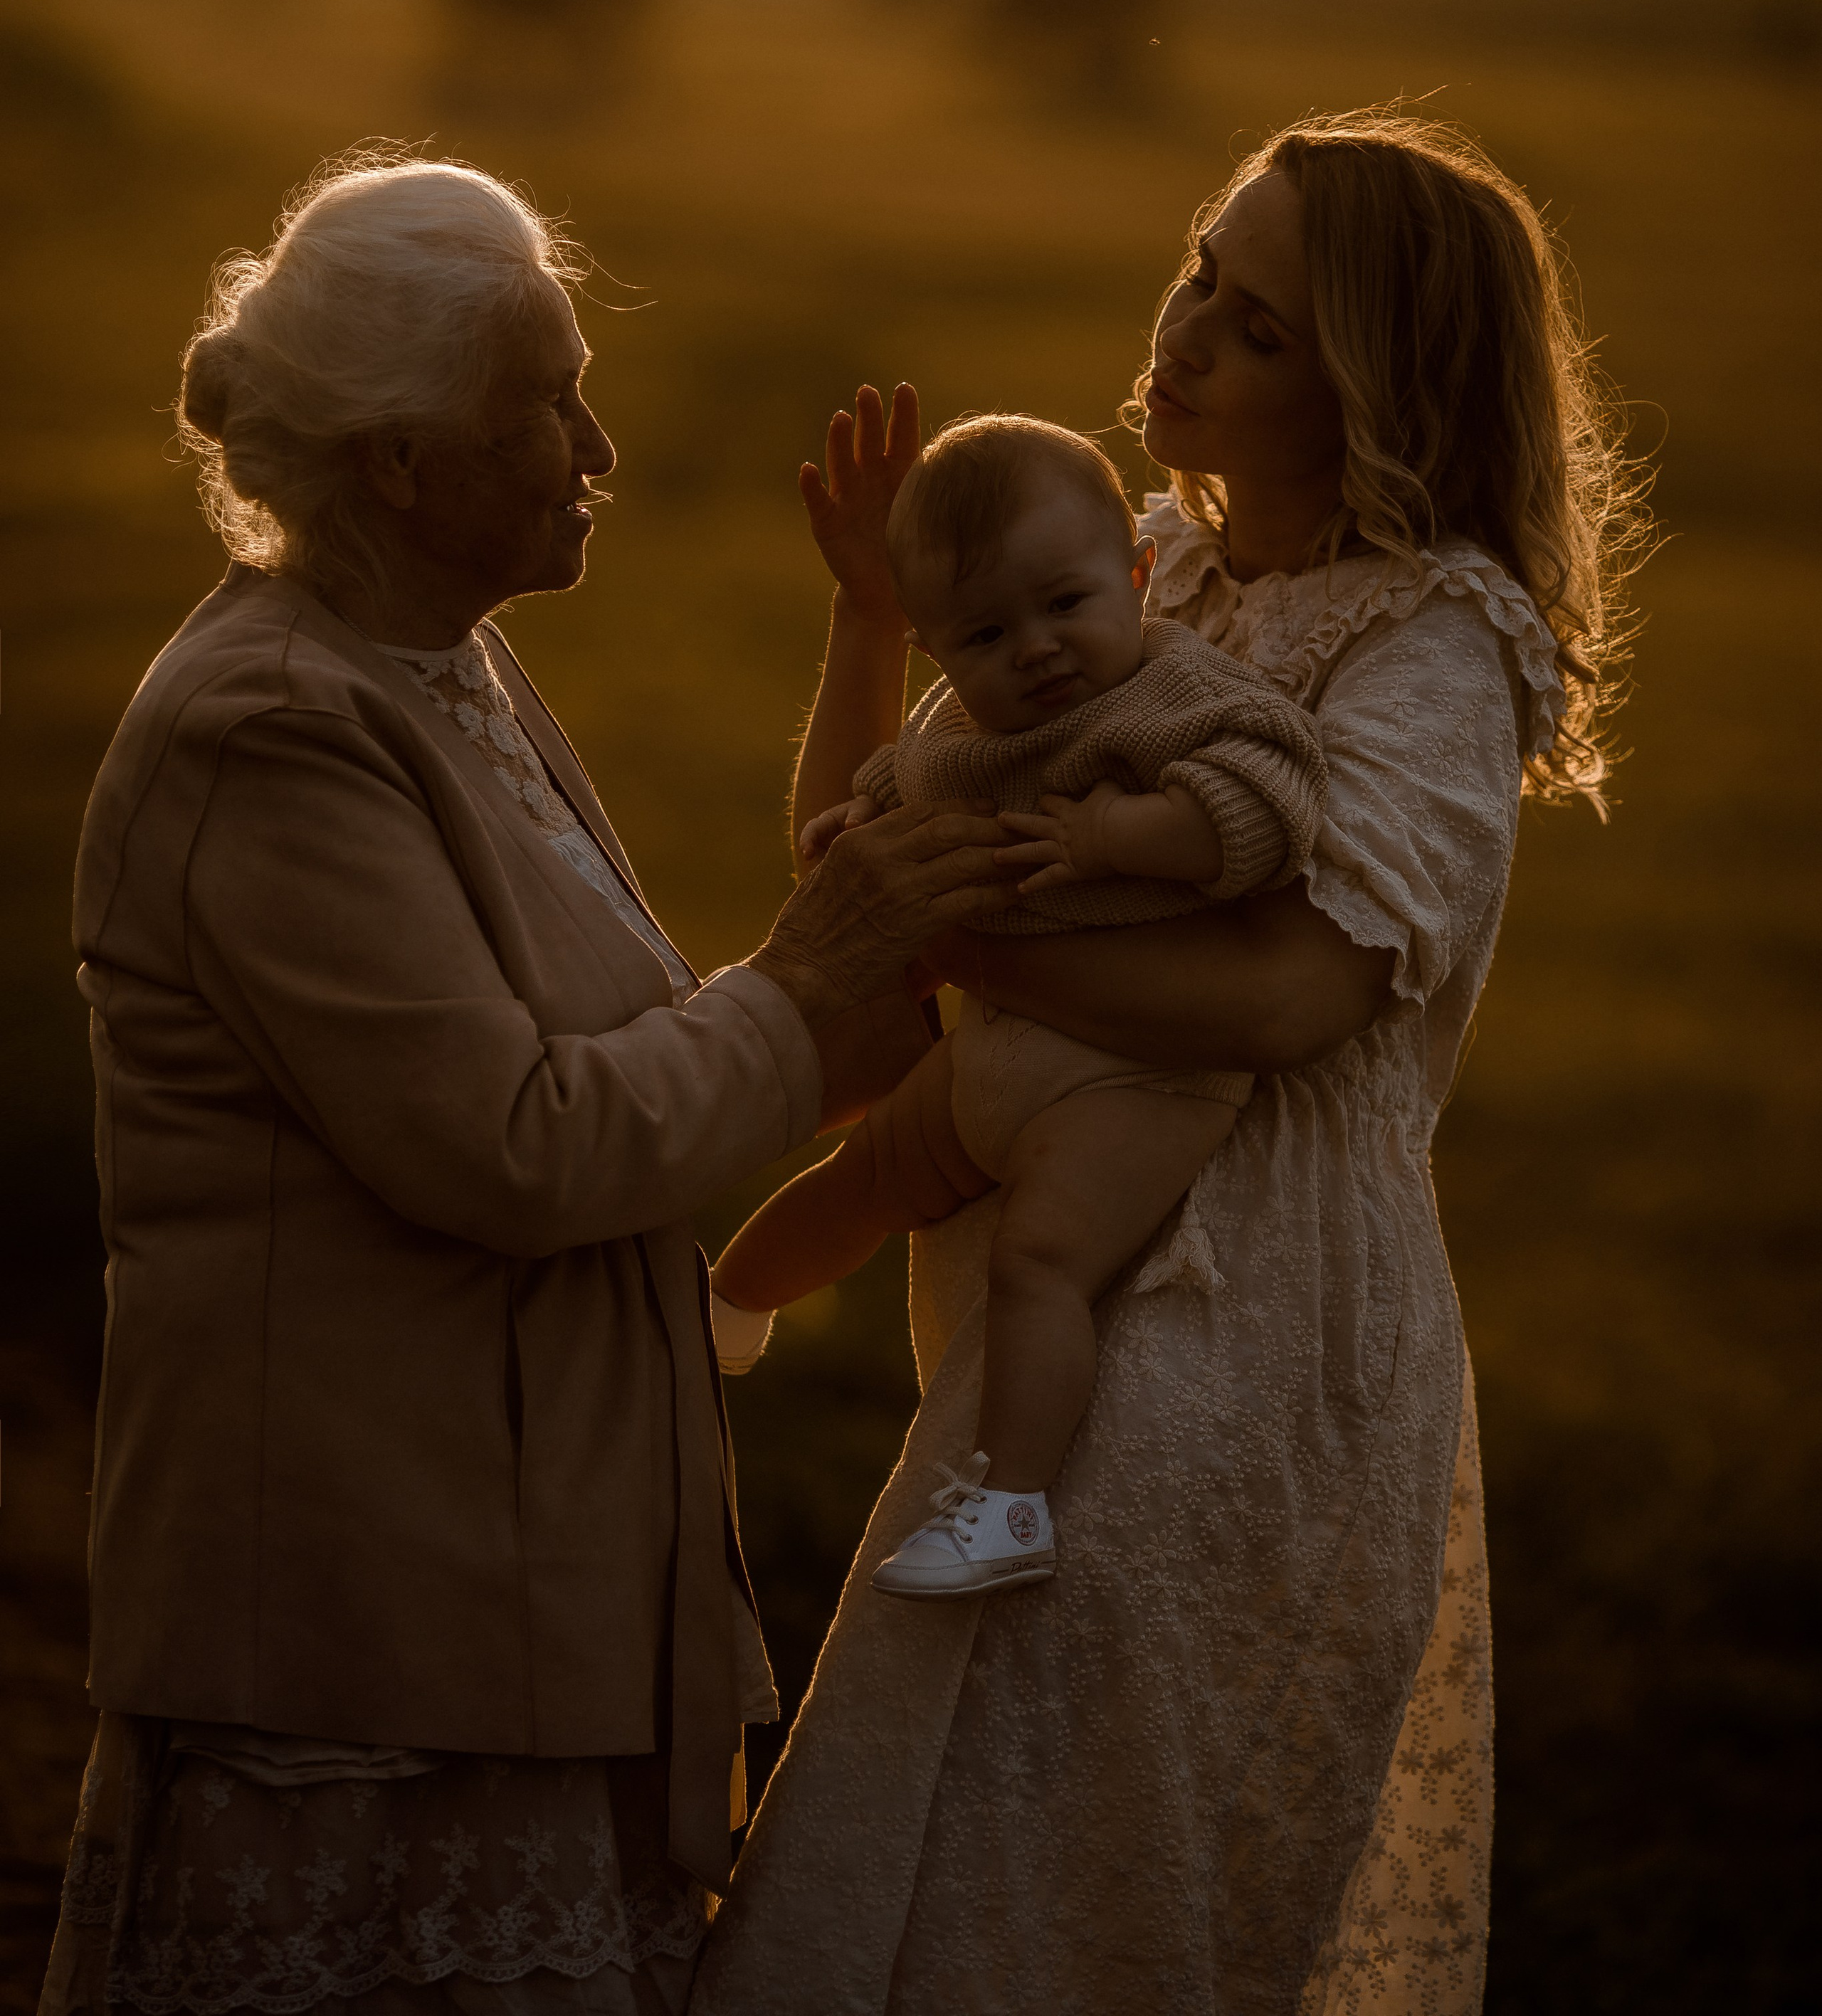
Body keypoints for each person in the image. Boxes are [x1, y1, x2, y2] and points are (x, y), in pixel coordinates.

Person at [38, 156, 1014, 2016]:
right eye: (545, 403)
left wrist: (845, 990)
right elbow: (520, 1145)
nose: (599, 443)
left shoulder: (439, 667)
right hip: (360, 1649)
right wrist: (810, 998)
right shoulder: (269, 731)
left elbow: (638, 1068)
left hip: (496, 1602)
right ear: (396, 461)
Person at [693, 108, 1645, 2016]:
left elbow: (1288, 1000)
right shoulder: (1121, 574)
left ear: (1379, 391)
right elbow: (856, 882)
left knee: (1053, 1873)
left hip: (1258, 1322)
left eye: (1263, 327)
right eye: (1207, 267)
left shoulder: (1435, 639)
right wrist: (873, 621)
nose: (1190, 329)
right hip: (1051, 1252)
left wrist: (958, 933)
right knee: (927, 1819)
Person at [708, 413, 1329, 1598]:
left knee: (1040, 1261)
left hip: (1135, 1074)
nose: (1037, 651)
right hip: (991, 1052)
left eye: (1066, 605)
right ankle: (721, 1314)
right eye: (987, 634)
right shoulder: (961, 729)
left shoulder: (1178, 697)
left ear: (1137, 576)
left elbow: (1263, 807)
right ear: (938, 649)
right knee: (865, 1179)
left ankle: (1009, 1505)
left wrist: (1115, 834)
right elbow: (886, 794)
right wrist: (857, 829)